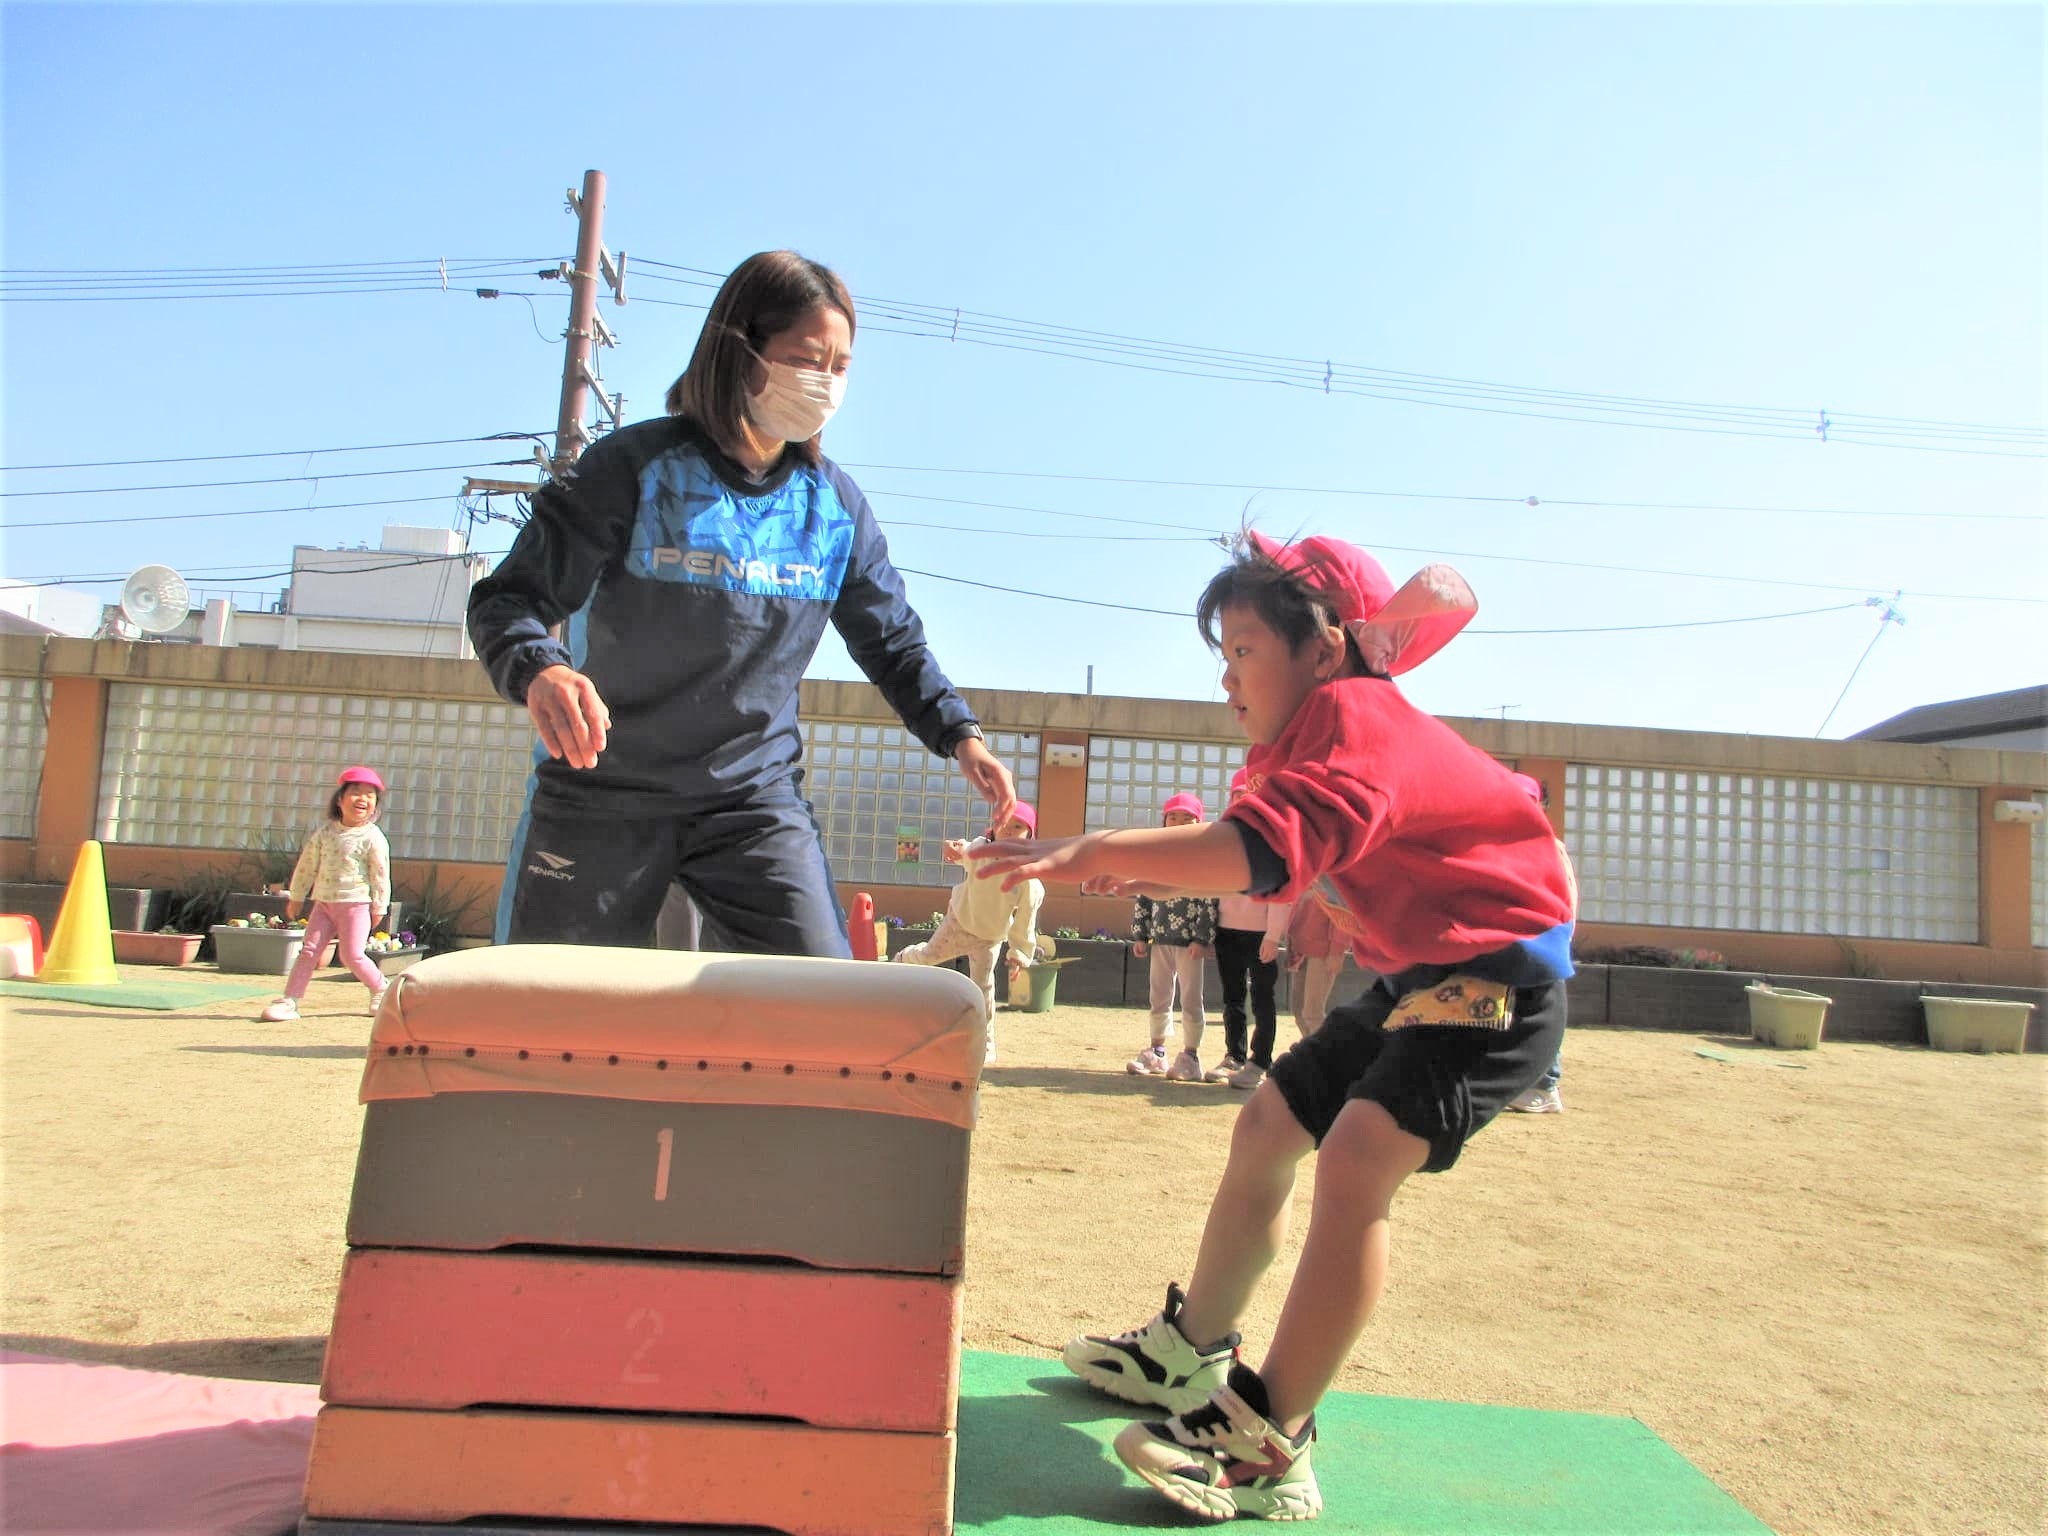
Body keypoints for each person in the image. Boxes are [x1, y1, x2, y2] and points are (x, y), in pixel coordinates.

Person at [968, 531, 1575, 1522]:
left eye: (1244, 650)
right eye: (1223, 653)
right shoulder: (1302, 742)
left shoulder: (1358, 718)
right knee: (1268, 1123)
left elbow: (1259, 853)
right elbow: (1270, 852)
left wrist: (1092, 849)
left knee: (1358, 1156)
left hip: (1496, 984)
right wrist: (1143, 862)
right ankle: (1190, 1354)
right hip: (1418, 978)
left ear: (1325, 648)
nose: (1225, 677)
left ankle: (1269, 1441)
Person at [467, 250, 1014, 958]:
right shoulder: (632, 468)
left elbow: (892, 641)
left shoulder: (833, 506)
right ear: (739, 350)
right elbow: (508, 600)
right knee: (546, 1006)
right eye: (806, 359)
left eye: (840, 366)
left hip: (752, 803)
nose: (824, 381)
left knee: (821, 1003)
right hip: (603, 792)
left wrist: (960, 733)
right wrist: (541, 668)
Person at [891, 802, 1044, 1061]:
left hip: (989, 937)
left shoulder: (1028, 879)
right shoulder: (980, 850)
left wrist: (1018, 954)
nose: (1008, 830)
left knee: (983, 989)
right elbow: (960, 850)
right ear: (993, 828)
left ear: (1030, 835)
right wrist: (950, 848)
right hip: (959, 921)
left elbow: (1026, 919)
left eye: (1018, 826)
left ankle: (985, 1044)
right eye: (1004, 824)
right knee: (929, 956)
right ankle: (904, 958)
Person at [260, 767, 393, 1023]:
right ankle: (289, 1001)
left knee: (352, 955)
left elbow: (380, 874)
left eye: (370, 795)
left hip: (356, 905)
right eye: (355, 793)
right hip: (323, 905)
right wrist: (297, 895)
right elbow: (307, 865)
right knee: (308, 951)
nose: (362, 799)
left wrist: (379, 907)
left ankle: (380, 988)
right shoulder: (325, 833)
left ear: (375, 807)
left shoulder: (373, 837)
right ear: (340, 800)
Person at [1207, 768, 1292, 1089]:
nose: (1243, 799)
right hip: (1226, 931)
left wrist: (1273, 935)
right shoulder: (1222, 836)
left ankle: (1260, 1061)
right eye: (1238, 795)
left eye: (1250, 793)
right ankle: (1234, 1056)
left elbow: (1283, 891)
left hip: (1261, 935)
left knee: (1262, 999)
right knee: (1232, 998)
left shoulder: (1274, 838)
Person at [1127, 792, 1218, 1081]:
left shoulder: (1203, 860)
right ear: (1164, 821)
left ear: (1199, 822)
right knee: (1159, 996)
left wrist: (1202, 939)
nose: (1179, 822)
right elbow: (1143, 896)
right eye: (1173, 817)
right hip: (1159, 940)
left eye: (1187, 818)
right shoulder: (1154, 857)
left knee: (1191, 998)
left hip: (1190, 944)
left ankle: (1191, 1056)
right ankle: (1157, 1052)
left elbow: (1210, 900)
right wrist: (1141, 934)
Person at [1506, 771, 1578, 1114]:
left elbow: (1567, 896)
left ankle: (1546, 1085)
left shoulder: (1550, 847)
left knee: (1540, 1011)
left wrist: (1561, 936)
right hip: (1512, 940)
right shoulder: (1505, 844)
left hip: (1543, 940)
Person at [1284, 898, 1355, 1040]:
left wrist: (1337, 950)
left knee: (1312, 1013)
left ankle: (1324, 1050)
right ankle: (1311, 1048)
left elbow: (1343, 911)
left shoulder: (1333, 885)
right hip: (1300, 948)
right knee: (1298, 1011)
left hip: (1323, 951)